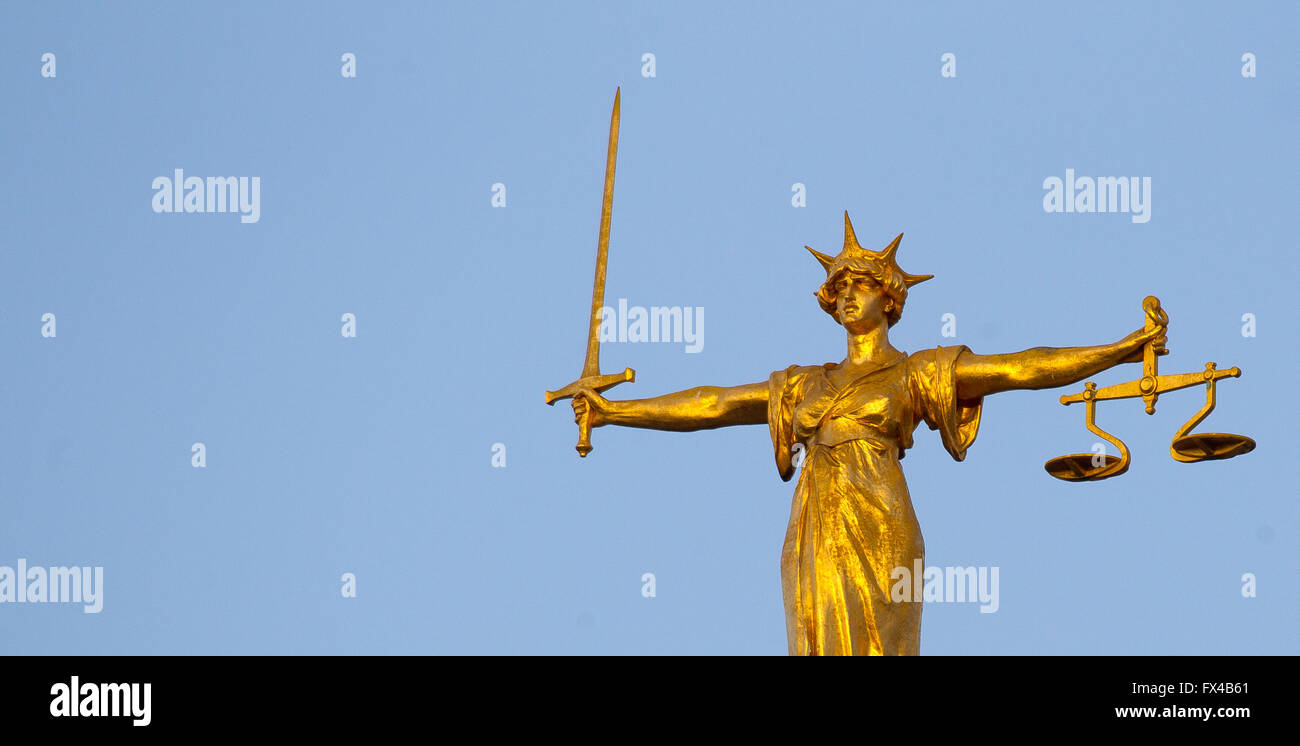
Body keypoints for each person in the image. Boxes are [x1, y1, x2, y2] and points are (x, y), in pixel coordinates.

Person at [571, 213, 1166, 655]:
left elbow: (1023, 365)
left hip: (881, 517)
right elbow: (713, 404)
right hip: (817, 521)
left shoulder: (917, 372)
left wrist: (1120, 349)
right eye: (840, 286)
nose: (848, 293)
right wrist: (614, 411)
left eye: (860, 283)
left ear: (890, 296)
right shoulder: (803, 383)